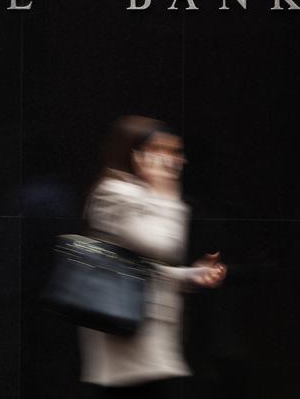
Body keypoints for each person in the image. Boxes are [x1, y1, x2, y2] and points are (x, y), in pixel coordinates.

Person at [79, 116, 226, 399]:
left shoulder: (136, 194)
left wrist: (192, 275)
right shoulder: (115, 193)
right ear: (135, 153)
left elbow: (142, 266)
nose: (174, 161)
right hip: (127, 341)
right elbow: (161, 245)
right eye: (163, 150)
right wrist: (167, 194)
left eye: (176, 152)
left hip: (145, 340)